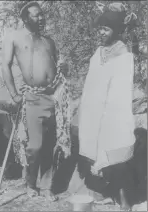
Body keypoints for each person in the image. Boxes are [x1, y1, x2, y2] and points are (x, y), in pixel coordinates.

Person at [1, 1, 71, 201]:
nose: (42, 18)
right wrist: (14, 94)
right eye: (36, 15)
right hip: (32, 98)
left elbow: (57, 66)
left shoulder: (49, 41)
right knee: (35, 146)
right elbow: (5, 66)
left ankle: (47, 186)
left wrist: (63, 69)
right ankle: (31, 183)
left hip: (54, 97)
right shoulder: (13, 37)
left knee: (50, 144)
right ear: (25, 19)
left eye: (42, 15)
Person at [78, 3, 137, 210]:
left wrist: (109, 116)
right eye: (100, 28)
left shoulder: (124, 55)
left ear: (117, 30)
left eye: (107, 28)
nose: (101, 32)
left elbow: (120, 92)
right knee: (99, 153)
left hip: (113, 114)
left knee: (116, 155)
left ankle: (125, 200)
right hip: (96, 113)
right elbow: (92, 84)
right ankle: (104, 192)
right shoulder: (99, 52)